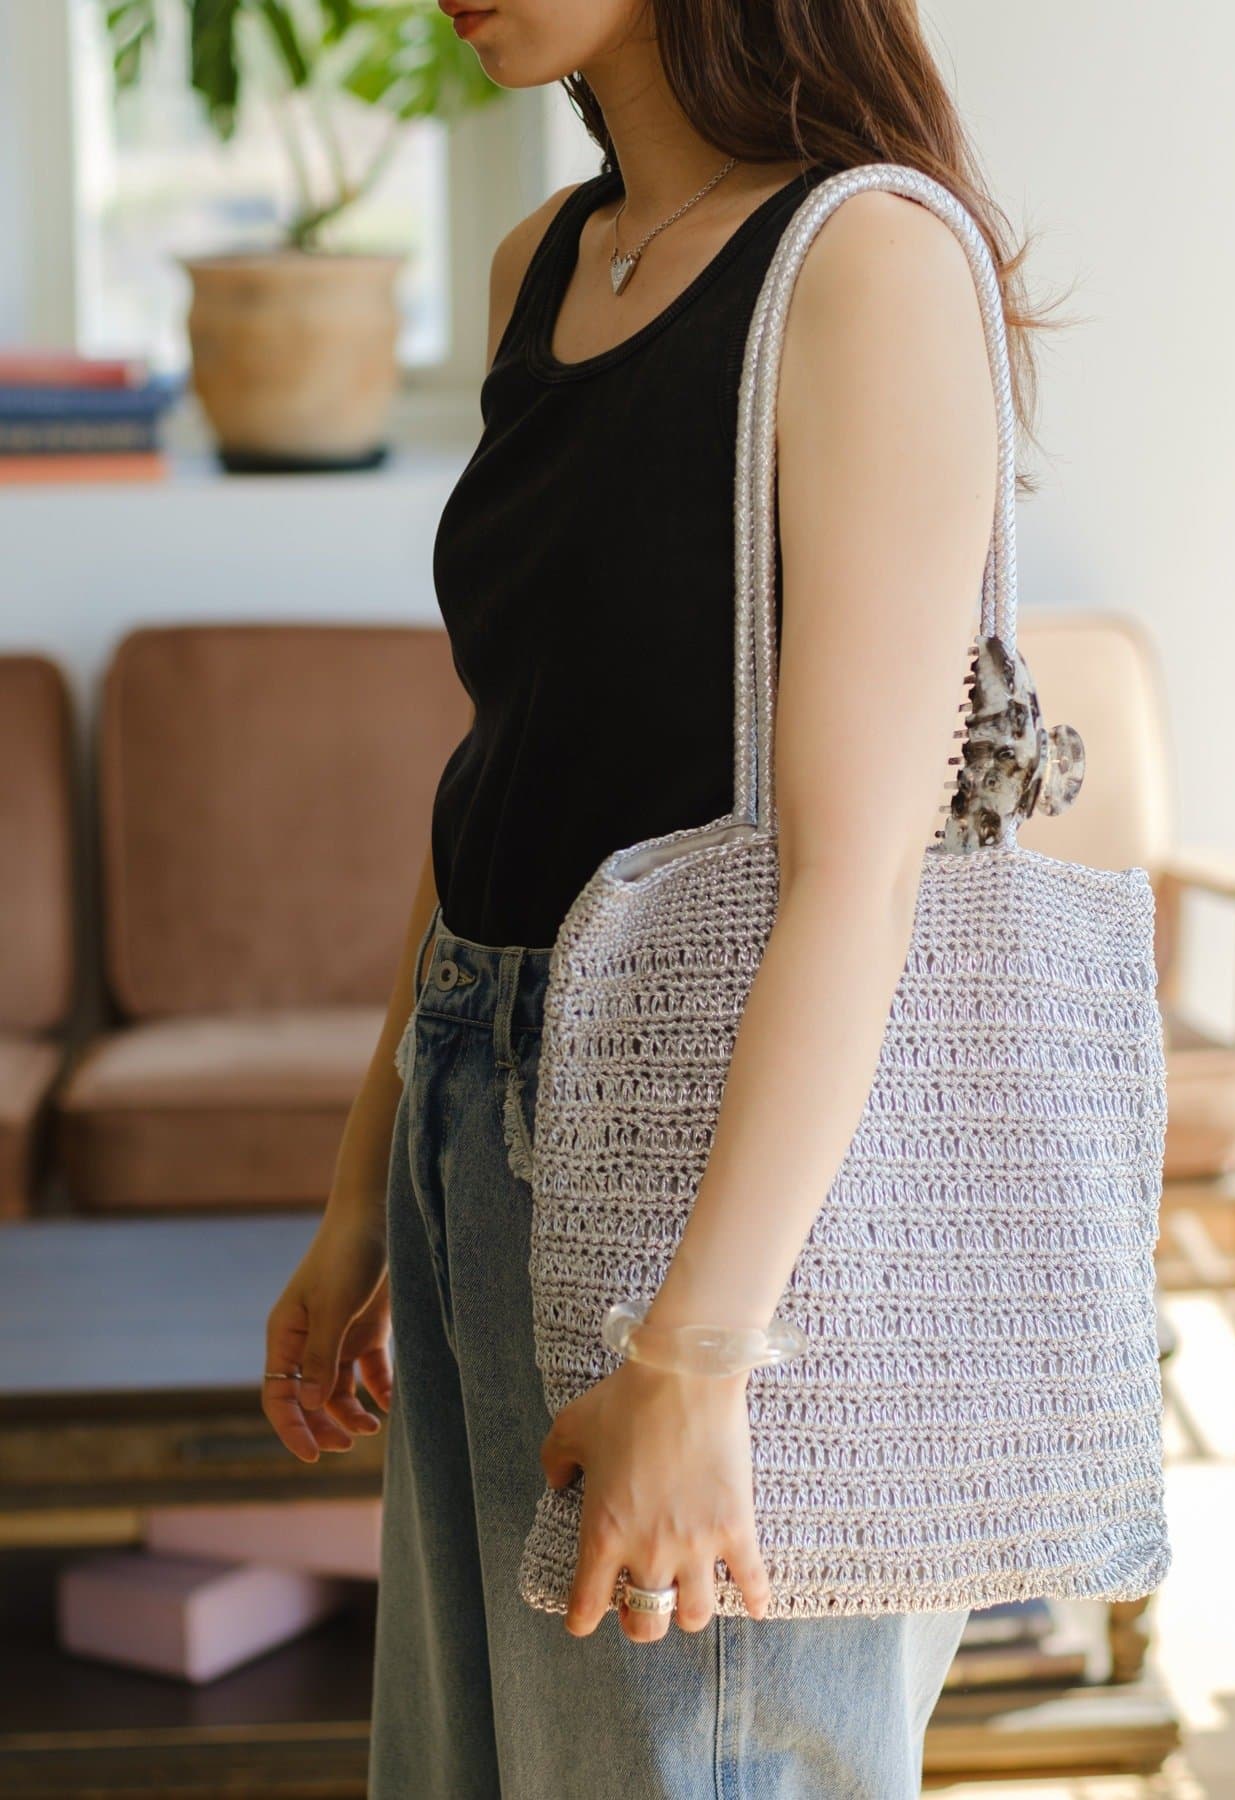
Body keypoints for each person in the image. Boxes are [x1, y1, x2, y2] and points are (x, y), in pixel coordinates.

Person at [262, 0, 1040, 1792]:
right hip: (473, 1113)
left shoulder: (867, 260)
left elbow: (860, 871)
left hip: (725, 1191)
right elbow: (506, 758)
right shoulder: (541, 262)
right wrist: (363, 1190)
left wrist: (699, 1352)